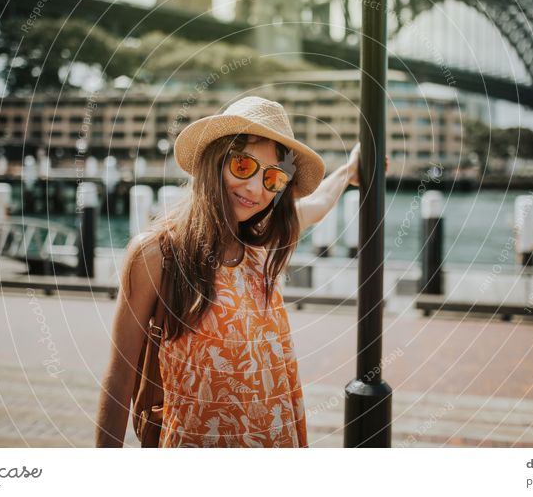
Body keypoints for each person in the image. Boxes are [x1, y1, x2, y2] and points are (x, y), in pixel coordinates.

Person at [95, 96, 362, 448]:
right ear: (214, 162)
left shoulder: (261, 244)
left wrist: (349, 170)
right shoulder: (157, 254)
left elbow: (317, 205)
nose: (256, 188)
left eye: (273, 178)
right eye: (242, 166)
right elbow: (119, 378)